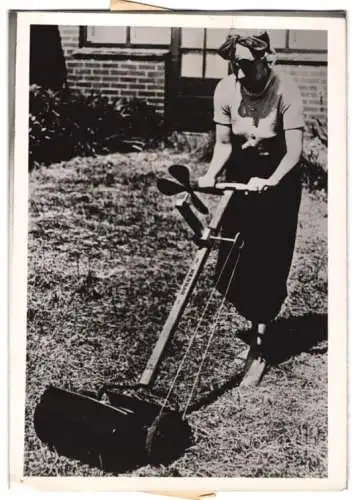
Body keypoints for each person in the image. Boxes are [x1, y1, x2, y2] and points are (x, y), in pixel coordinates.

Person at [198, 31, 304, 363]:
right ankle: (253, 317)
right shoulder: (226, 89)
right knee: (230, 256)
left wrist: (271, 181)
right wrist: (213, 173)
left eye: (244, 65)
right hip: (243, 175)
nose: (239, 73)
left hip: (279, 178)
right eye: (234, 65)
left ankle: (260, 340)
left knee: (267, 258)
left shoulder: (285, 89)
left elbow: (294, 153)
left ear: (263, 59)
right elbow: (225, 144)